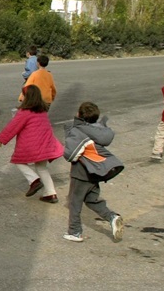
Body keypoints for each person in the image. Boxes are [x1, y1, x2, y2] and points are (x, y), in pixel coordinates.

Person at [62, 102, 125, 242]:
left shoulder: (78, 131)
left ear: (79, 115)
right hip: (95, 172)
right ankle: (112, 217)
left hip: (81, 173)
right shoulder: (96, 131)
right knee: (92, 200)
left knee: (74, 202)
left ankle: (75, 231)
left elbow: (71, 154)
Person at [0, 85, 64, 203]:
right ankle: (51, 193)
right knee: (42, 168)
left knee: (18, 161)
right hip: (45, 144)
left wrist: (0, 140)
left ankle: (34, 181)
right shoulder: (42, 110)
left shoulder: (24, 112)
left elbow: (12, 127)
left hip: (32, 145)